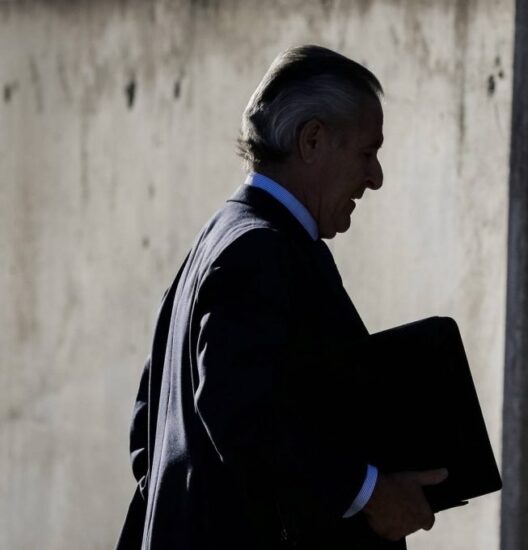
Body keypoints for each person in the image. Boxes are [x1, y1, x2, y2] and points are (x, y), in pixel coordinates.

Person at [116, 45, 447, 550]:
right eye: (367, 152)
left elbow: (151, 436)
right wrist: (368, 492)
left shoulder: (221, 240)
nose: (376, 177)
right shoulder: (260, 249)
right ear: (312, 139)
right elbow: (239, 414)